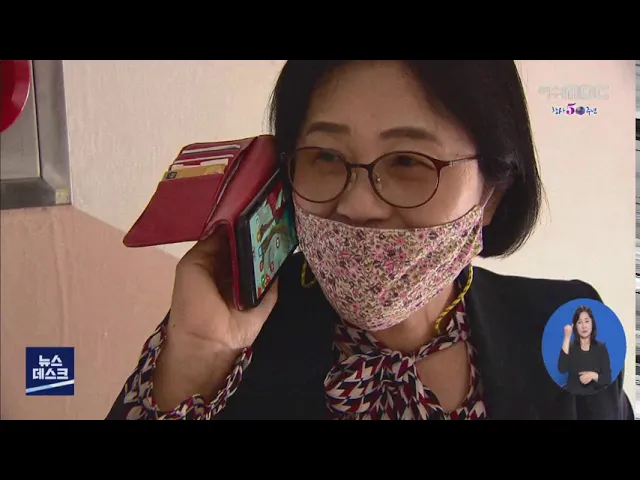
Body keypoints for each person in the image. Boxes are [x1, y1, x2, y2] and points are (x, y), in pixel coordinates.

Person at [105, 60, 633, 420]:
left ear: (492, 193)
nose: (358, 204)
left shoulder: (570, 323)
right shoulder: (236, 335)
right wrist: (198, 359)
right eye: (325, 157)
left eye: (407, 162)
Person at [558, 305, 612, 396]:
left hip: (595, 399)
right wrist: (567, 337)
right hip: (573, 398)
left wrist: (593, 375)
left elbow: (607, 379)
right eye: (579, 322)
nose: (584, 326)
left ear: (592, 324)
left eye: (587, 321)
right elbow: (562, 369)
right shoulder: (570, 347)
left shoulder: (601, 348)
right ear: (575, 326)